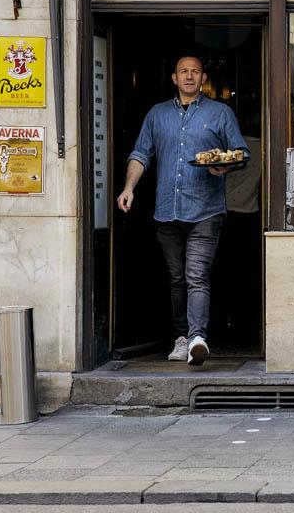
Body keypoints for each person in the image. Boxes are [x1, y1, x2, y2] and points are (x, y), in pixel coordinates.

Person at [116, 55, 250, 366]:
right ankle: (181, 337)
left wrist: (224, 166)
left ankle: (197, 338)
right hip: (166, 209)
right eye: (183, 71)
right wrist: (129, 187)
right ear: (174, 78)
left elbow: (241, 152)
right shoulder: (157, 114)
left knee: (196, 275)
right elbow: (140, 154)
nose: (189, 76)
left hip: (206, 209)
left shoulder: (220, 113)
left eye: (195, 72)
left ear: (203, 78)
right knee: (177, 278)